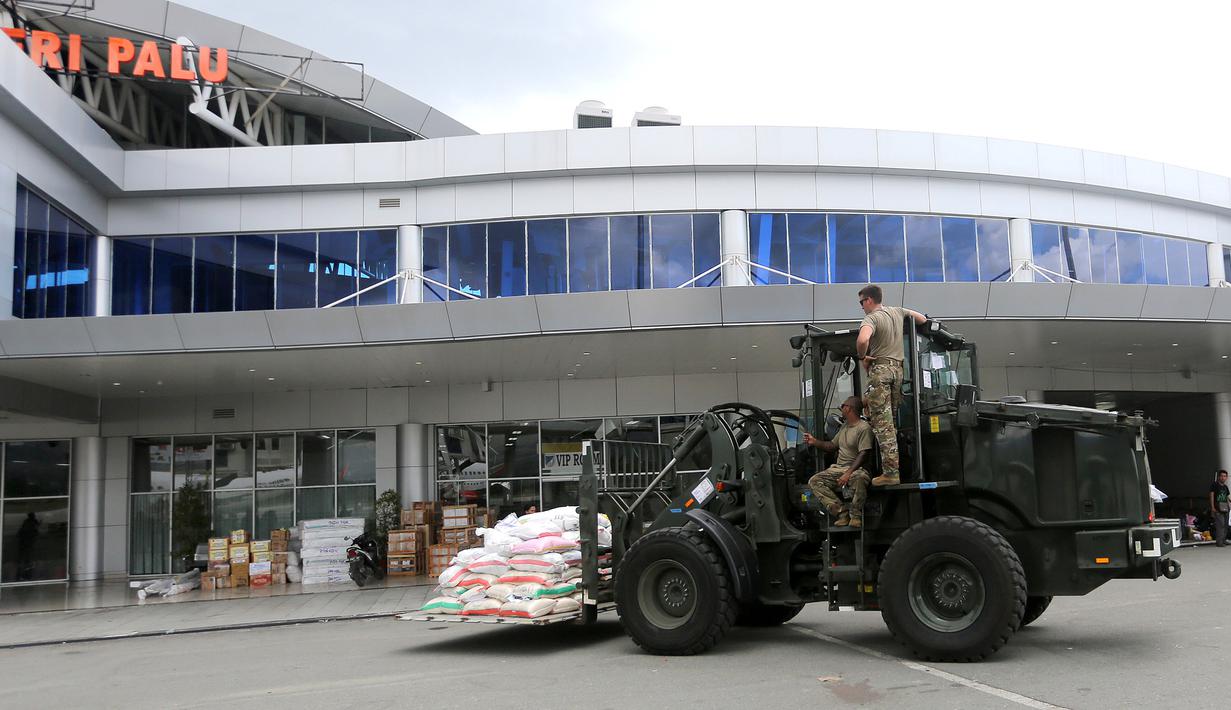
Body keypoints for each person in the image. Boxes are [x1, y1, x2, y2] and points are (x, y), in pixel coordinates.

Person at [855, 284, 927, 487]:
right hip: (898, 372)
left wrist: (862, 357)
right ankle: (896, 467)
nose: (861, 307)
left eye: (861, 302)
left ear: (869, 300)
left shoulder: (872, 318)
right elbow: (921, 319)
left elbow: (862, 339)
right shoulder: (897, 311)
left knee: (882, 425)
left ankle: (890, 473)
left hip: (881, 371)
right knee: (892, 423)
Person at [803, 396, 874, 528]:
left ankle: (856, 515)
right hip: (838, 469)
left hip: (856, 469)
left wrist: (848, 473)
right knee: (814, 481)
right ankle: (841, 512)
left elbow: (864, 453)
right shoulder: (844, 427)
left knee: (859, 478)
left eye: (843, 406)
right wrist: (814, 441)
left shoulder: (864, 428)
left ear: (848, 409)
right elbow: (831, 446)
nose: (841, 408)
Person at [15, 511, 40, 581]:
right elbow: (35, 531)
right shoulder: (32, 522)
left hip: (25, 543)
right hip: (27, 543)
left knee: (25, 557)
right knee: (27, 557)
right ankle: (25, 574)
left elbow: (21, 531)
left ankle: (24, 574)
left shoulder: (28, 522)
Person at [1210, 470, 1229, 547]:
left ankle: (1223, 540)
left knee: (1225, 525)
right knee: (1220, 525)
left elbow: (1227, 497)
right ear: (1218, 477)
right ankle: (1219, 542)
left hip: (1225, 508)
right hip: (1217, 508)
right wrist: (1212, 507)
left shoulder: (1225, 487)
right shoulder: (1214, 485)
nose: (1223, 478)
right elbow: (1211, 495)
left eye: (1224, 476)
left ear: (1226, 477)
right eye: (1221, 476)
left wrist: (1229, 506)